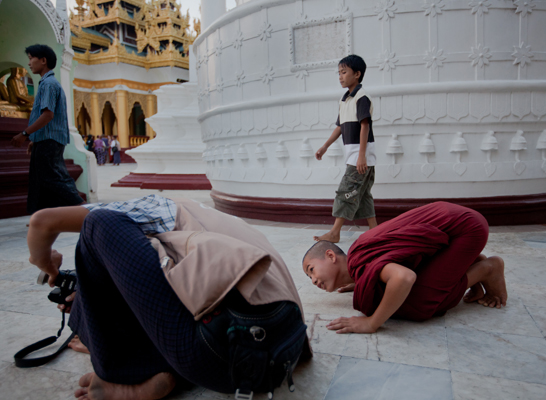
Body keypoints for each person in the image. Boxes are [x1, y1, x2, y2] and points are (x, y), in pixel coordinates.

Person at [27, 195, 310, 399]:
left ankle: (120, 375)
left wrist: (47, 264)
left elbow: (42, 223)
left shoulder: (153, 207)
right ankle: (159, 368)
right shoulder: (217, 222)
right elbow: (157, 293)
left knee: (98, 225)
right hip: (281, 353)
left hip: (218, 356)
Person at [302, 201, 507, 334]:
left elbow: (404, 277)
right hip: (456, 222)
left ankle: (487, 268)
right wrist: (362, 282)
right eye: (309, 278)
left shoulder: (358, 262)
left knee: (419, 300)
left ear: (330, 256)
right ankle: (468, 261)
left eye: (311, 270)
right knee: (400, 293)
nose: (313, 280)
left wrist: (371, 323)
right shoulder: (360, 265)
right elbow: (401, 256)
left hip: (465, 229)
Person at [10, 44, 84, 214]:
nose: (29, 63)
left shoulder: (48, 84)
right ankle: (42, 218)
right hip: (45, 139)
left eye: (31, 58)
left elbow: (48, 115)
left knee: (55, 179)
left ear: (43, 60)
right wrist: (34, 139)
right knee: (41, 181)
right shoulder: (47, 83)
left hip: (49, 141)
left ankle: (86, 211)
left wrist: (25, 134)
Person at [314, 54, 377, 243]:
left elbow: (365, 126)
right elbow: (341, 126)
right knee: (363, 195)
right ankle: (376, 232)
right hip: (358, 157)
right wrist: (325, 146)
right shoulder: (344, 100)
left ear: (357, 74)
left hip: (360, 158)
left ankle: (334, 232)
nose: (340, 77)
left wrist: (361, 156)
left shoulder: (362, 97)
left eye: (344, 72)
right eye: (339, 73)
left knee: (346, 192)